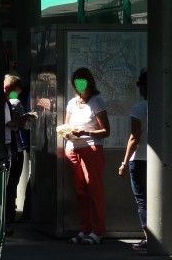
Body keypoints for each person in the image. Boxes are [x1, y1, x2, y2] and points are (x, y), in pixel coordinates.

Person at [63, 66, 110, 244]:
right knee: (80, 191)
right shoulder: (71, 103)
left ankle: (98, 230)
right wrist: (67, 133)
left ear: (89, 83)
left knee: (94, 190)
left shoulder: (97, 101)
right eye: (77, 84)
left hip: (92, 148)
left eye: (82, 83)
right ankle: (86, 228)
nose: (80, 87)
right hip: (73, 148)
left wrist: (86, 133)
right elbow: (67, 127)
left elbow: (106, 131)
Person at [4, 73, 37, 231]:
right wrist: (23, 120)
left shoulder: (7, 102)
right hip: (12, 145)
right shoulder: (11, 103)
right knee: (12, 181)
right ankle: (9, 213)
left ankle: (10, 212)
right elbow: (10, 124)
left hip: (13, 144)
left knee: (12, 181)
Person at [119, 69, 148, 250]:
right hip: (159, 160)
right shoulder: (166, 106)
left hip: (139, 160)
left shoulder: (139, 108)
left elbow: (134, 138)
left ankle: (149, 237)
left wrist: (124, 162)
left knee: (142, 200)